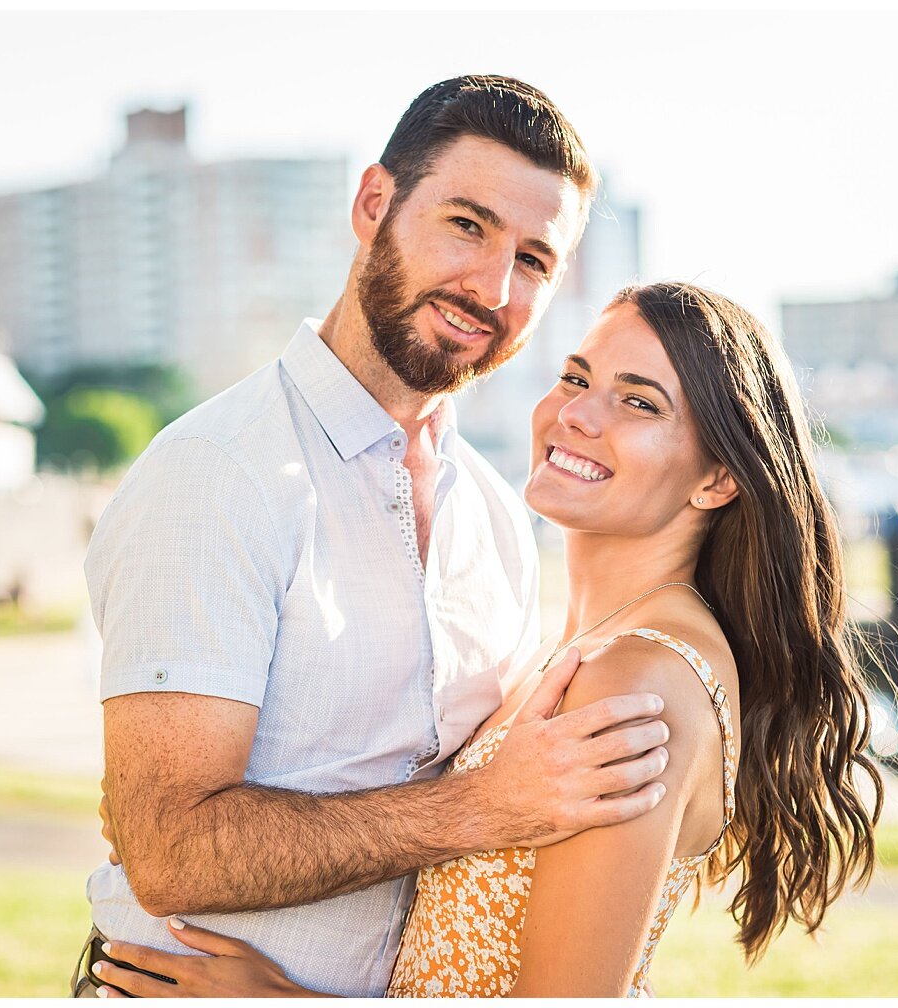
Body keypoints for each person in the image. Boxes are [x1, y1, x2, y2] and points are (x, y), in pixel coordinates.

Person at [90, 282, 885, 997]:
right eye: (577, 377)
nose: (576, 412)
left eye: (638, 403)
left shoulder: (637, 681)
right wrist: (174, 811)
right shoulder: (580, 646)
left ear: (717, 479)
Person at [72, 76, 678, 998]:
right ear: (374, 204)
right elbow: (171, 855)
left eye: (535, 261)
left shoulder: (500, 517)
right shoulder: (215, 473)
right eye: (467, 225)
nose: (492, 287)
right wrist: (480, 809)